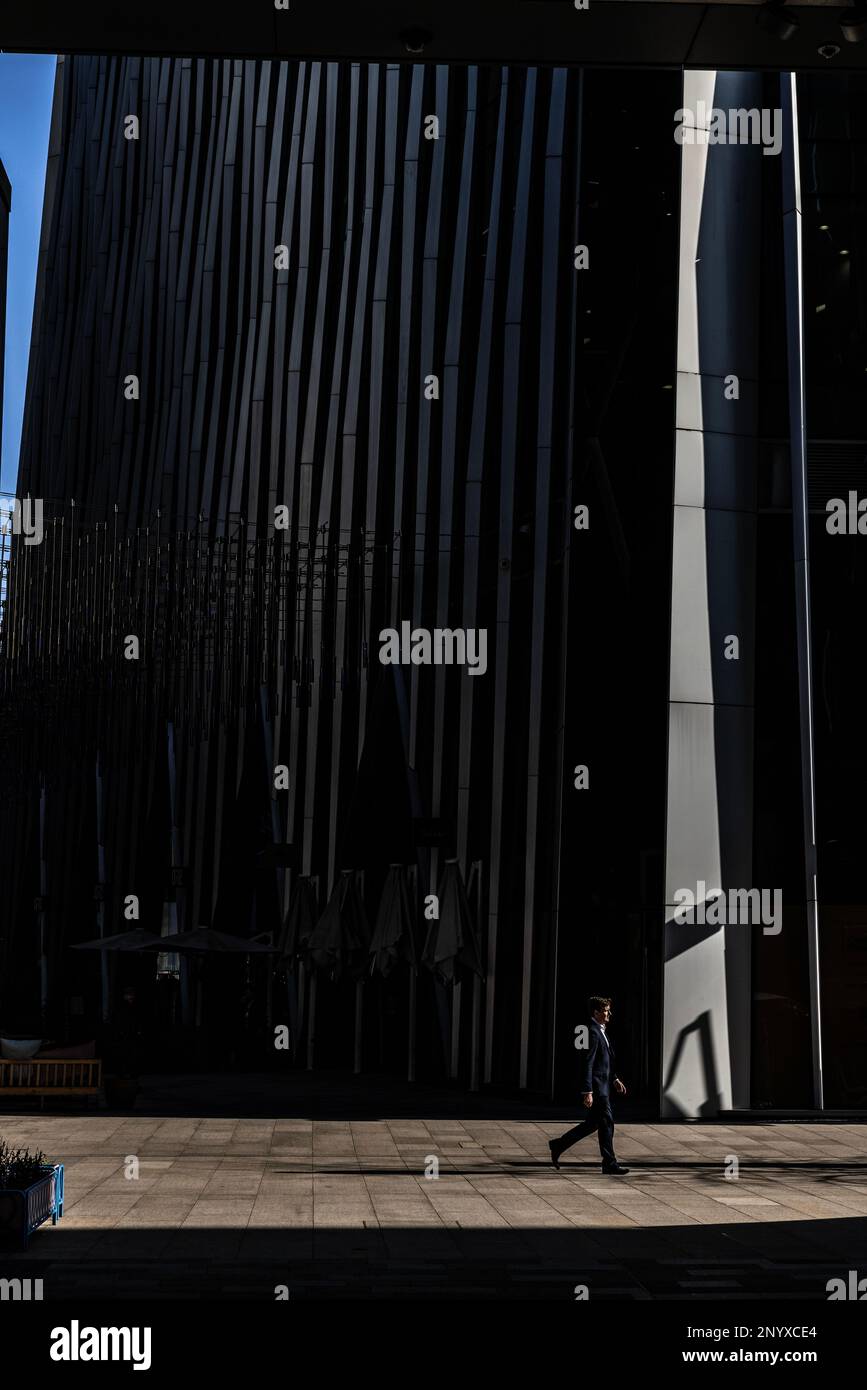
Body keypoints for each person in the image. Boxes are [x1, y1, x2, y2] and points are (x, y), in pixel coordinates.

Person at [548, 995, 630, 1175]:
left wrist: (614, 1079)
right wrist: (587, 1091)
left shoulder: (600, 1030)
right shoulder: (592, 1032)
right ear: (596, 1012)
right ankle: (609, 1162)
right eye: (606, 1011)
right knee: (607, 1121)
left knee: (593, 1124)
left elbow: (605, 1061)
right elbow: (588, 1062)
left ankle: (559, 1144)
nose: (610, 1014)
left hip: (604, 1085)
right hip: (597, 1088)